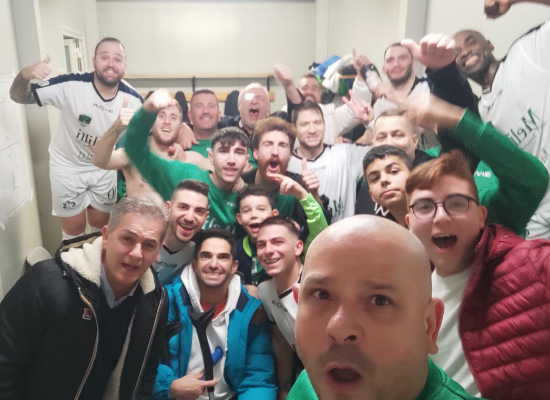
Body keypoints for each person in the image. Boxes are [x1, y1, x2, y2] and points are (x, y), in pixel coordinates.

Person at [287, 215, 482, 400]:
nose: (339, 329)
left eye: (379, 301)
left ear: (430, 325)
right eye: (321, 295)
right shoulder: (307, 384)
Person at [406, 151, 550, 400]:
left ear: (481, 216)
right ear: (409, 223)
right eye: (424, 207)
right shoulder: (405, 292)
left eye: (457, 203)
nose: (441, 217)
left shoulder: (533, 264)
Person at [0, 197, 169, 400]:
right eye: (127, 238)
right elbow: (5, 362)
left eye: (149, 245)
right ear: (106, 236)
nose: (136, 254)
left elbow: (145, 375)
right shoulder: (47, 282)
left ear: (158, 253)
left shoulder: (155, 301)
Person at [9, 37, 143, 241]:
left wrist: (184, 129)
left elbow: (156, 128)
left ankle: (96, 261)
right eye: (104, 57)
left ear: (125, 65)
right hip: (67, 166)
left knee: (101, 227)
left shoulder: (134, 99)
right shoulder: (71, 84)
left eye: (117, 59)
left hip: (103, 166)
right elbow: (19, 97)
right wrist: (25, 74)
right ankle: (72, 262)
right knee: (74, 231)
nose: (111, 63)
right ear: (94, 61)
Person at [364, 94, 549, 235]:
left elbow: (530, 182)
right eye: (375, 177)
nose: (385, 180)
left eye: (394, 171)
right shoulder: (390, 237)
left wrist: (456, 119)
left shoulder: (466, 208)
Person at [153, 229, 277, 400]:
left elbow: (258, 379)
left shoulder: (251, 312)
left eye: (223, 257)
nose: (213, 264)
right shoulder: (166, 301)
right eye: (206, 256)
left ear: (234, 267)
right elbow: (141, 360)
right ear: (194, 265)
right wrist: (169, 387)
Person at [124, 89, 248, 233]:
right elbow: (135, 148)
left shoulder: (248, 196)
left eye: (239, 153)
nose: (231, 160)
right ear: (211, 157)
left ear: (247, 161)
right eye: (223, 151)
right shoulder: (184, 176)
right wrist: (147, 111)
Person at [93, 101, 210, 204]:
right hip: (140, 220)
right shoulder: (133, 155)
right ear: (150, 124)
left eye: (173, 118)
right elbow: (99, 161)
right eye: (161, 116)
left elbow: (218, 175)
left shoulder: (191, 160)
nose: (167, 122)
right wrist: (115, 128)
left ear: (180, 127)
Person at [287, 100, 372, 221]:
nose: (312, 130)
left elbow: (387, 152)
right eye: (304, 124)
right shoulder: (285, 163)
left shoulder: (345, 154)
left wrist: (370, 123)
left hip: (346, 232)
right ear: (293, 128)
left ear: (324, 124)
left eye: (317, 123)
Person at [236, 183, 327, 286]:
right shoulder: (235, 249)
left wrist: (301, 194)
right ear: (239, 218)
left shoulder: (292, 242)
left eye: (261, 209)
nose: (254, 215)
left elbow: (318, 228)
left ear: (274, 214)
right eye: (247, 210)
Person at [256, 217, 306, 398]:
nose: (268, 250)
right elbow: (281, 340)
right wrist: (284, 387)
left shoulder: (317, 288)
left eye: (277, 242)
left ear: (298, 247)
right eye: (261, 245)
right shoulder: (264, 290)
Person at [274, 53, 373, 145]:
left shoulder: (330, 117)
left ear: (320, 95)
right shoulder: (284, 116)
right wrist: (289, 86)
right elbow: (295, 106)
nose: (309, 92)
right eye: (305, 88)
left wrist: (362, 76)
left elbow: (358, 107)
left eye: (314, 88)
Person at [154, 180, 210, 285]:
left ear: (206, 217)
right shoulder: (145, 237)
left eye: (199, 211)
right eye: (183, 207)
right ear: (168, 208)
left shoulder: (203, 249)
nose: (189, 218)